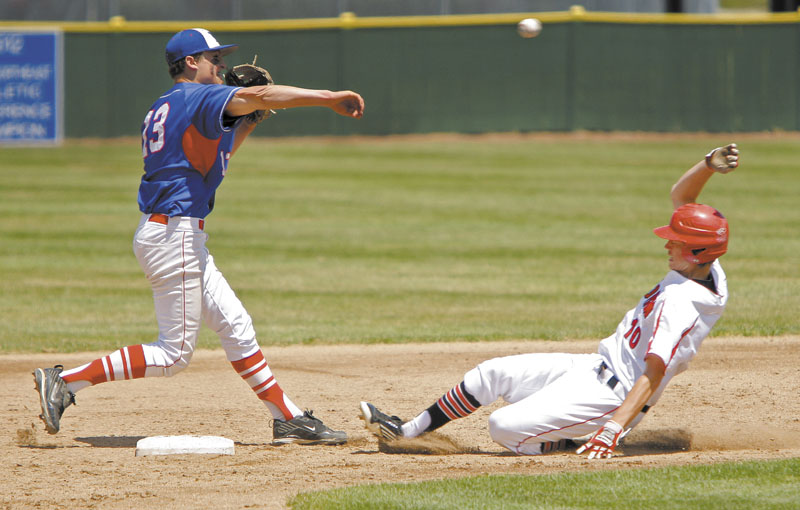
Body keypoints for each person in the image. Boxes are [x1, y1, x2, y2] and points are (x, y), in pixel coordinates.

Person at [33, 28, 365, 445]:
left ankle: (287, 417)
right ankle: (66, 382)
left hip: (173, 233)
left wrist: (243, 124)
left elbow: (212, 166)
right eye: (214, 58)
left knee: (237, 327)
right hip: (176, 235)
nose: (222, 66)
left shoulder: (166, 106)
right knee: (172, 354)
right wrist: (329, 97)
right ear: (191, 62)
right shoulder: (198, 97)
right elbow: (263, 95)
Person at [360, 144, 739, 458]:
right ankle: (407, 432)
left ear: (697, 251)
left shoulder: (683, 302)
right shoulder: (706, 267)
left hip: (614, 397)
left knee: (504, 428)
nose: (667, 243)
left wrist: (612, 427)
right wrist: (707, 165)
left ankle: (577, 441)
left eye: (676, 241)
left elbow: (653, 373)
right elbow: (683, 199)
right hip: (593, 367)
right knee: (491, 373)